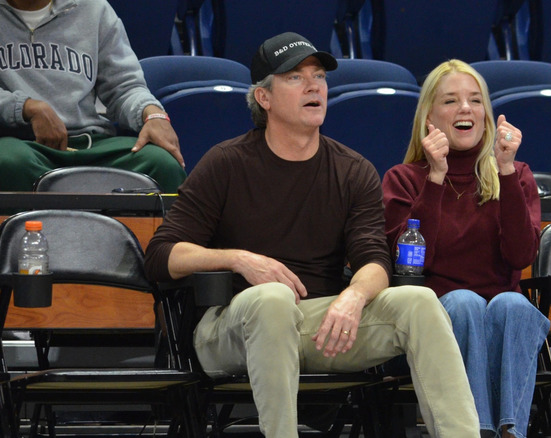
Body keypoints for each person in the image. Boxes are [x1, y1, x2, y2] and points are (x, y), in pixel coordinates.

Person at [143, 32, 480, 438]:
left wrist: (353, 297)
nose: (313, 86)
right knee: (273, 298)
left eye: (318, 76)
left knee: (418, 301)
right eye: (294, 78)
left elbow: (375, 260)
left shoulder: (353, 170)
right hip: (230, 328)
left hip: (319, 325)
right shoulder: (226, 163)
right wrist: (237, 259)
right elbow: (161, 255)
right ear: (263, 98)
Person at [382, 59, 550, 438]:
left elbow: (520, 257)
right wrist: (437, 178)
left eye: (476, 101)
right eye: (451, 101)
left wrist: (505, 172)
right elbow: (418, 265)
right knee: (463, 302)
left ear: (487, 116)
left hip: (501, 308)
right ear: (429, 116)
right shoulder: (405, 179)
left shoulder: (516, 174)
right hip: (435, 313)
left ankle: (508, 433)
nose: (465, 109)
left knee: (514, 304)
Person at [0, 0, 186, 193]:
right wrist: (26, 107)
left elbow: (124, 86)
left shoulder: (94, 8)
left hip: (90, 144)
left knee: (162, 164)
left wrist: (152, 114)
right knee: (7, 161)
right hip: (23, 144)